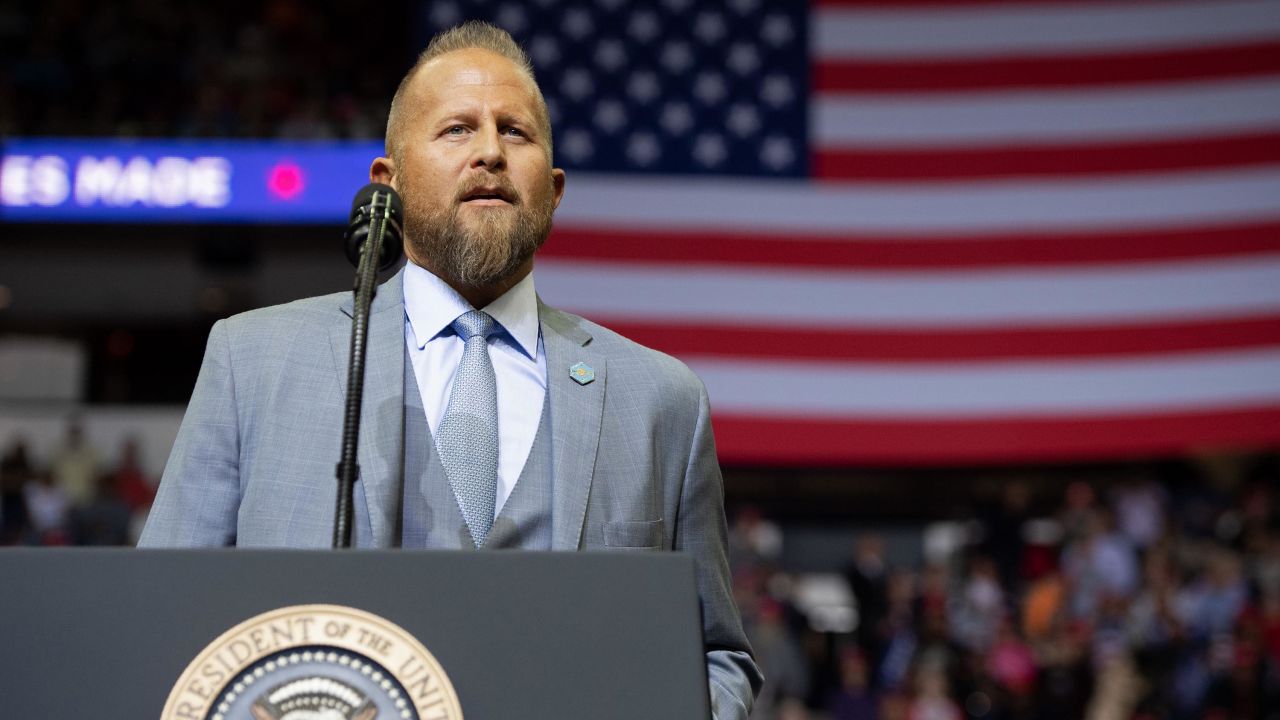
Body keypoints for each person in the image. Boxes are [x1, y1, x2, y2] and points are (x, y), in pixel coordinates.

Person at [139, 21, 761, 718]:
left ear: (554, 191)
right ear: (389, 181)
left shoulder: (661, 402)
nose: (490, 152)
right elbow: (161, 619)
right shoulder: (252, 361)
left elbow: (716, 655)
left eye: (516, 132)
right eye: (457, 129)